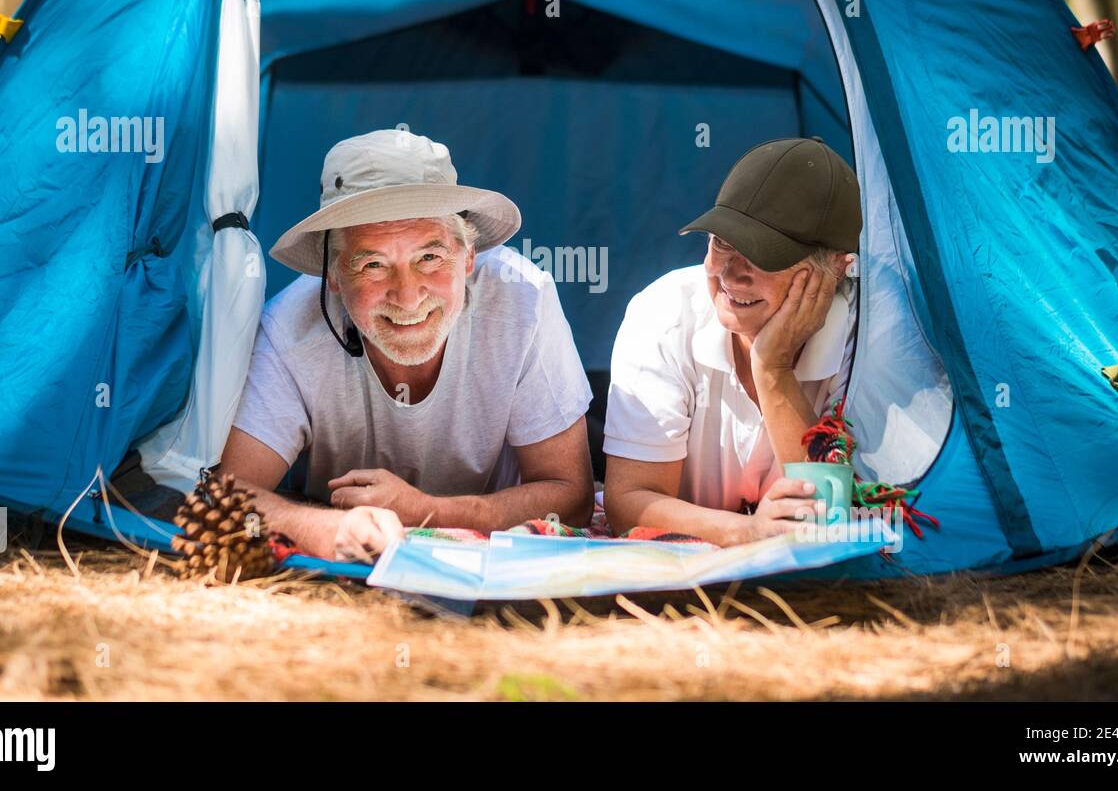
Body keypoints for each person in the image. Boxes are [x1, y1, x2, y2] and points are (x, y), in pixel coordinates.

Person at [219, 129, 594, 561]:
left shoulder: (523, 299)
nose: (408, 296)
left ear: (468, 256)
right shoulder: (289, 328)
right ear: (335, 275)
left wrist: (426, 511)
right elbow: (227, 490)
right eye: (374, 265)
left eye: (430, 258)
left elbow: (573, 498)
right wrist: (324, 527)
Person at [603, 137, 861, 546]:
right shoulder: (664, 312)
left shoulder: (862, 340)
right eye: (722, 242)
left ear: (834, 270)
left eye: (766, 255)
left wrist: (772, 369)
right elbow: (629, 500)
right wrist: (749, 531)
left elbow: (831, 519)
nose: (730, 274)